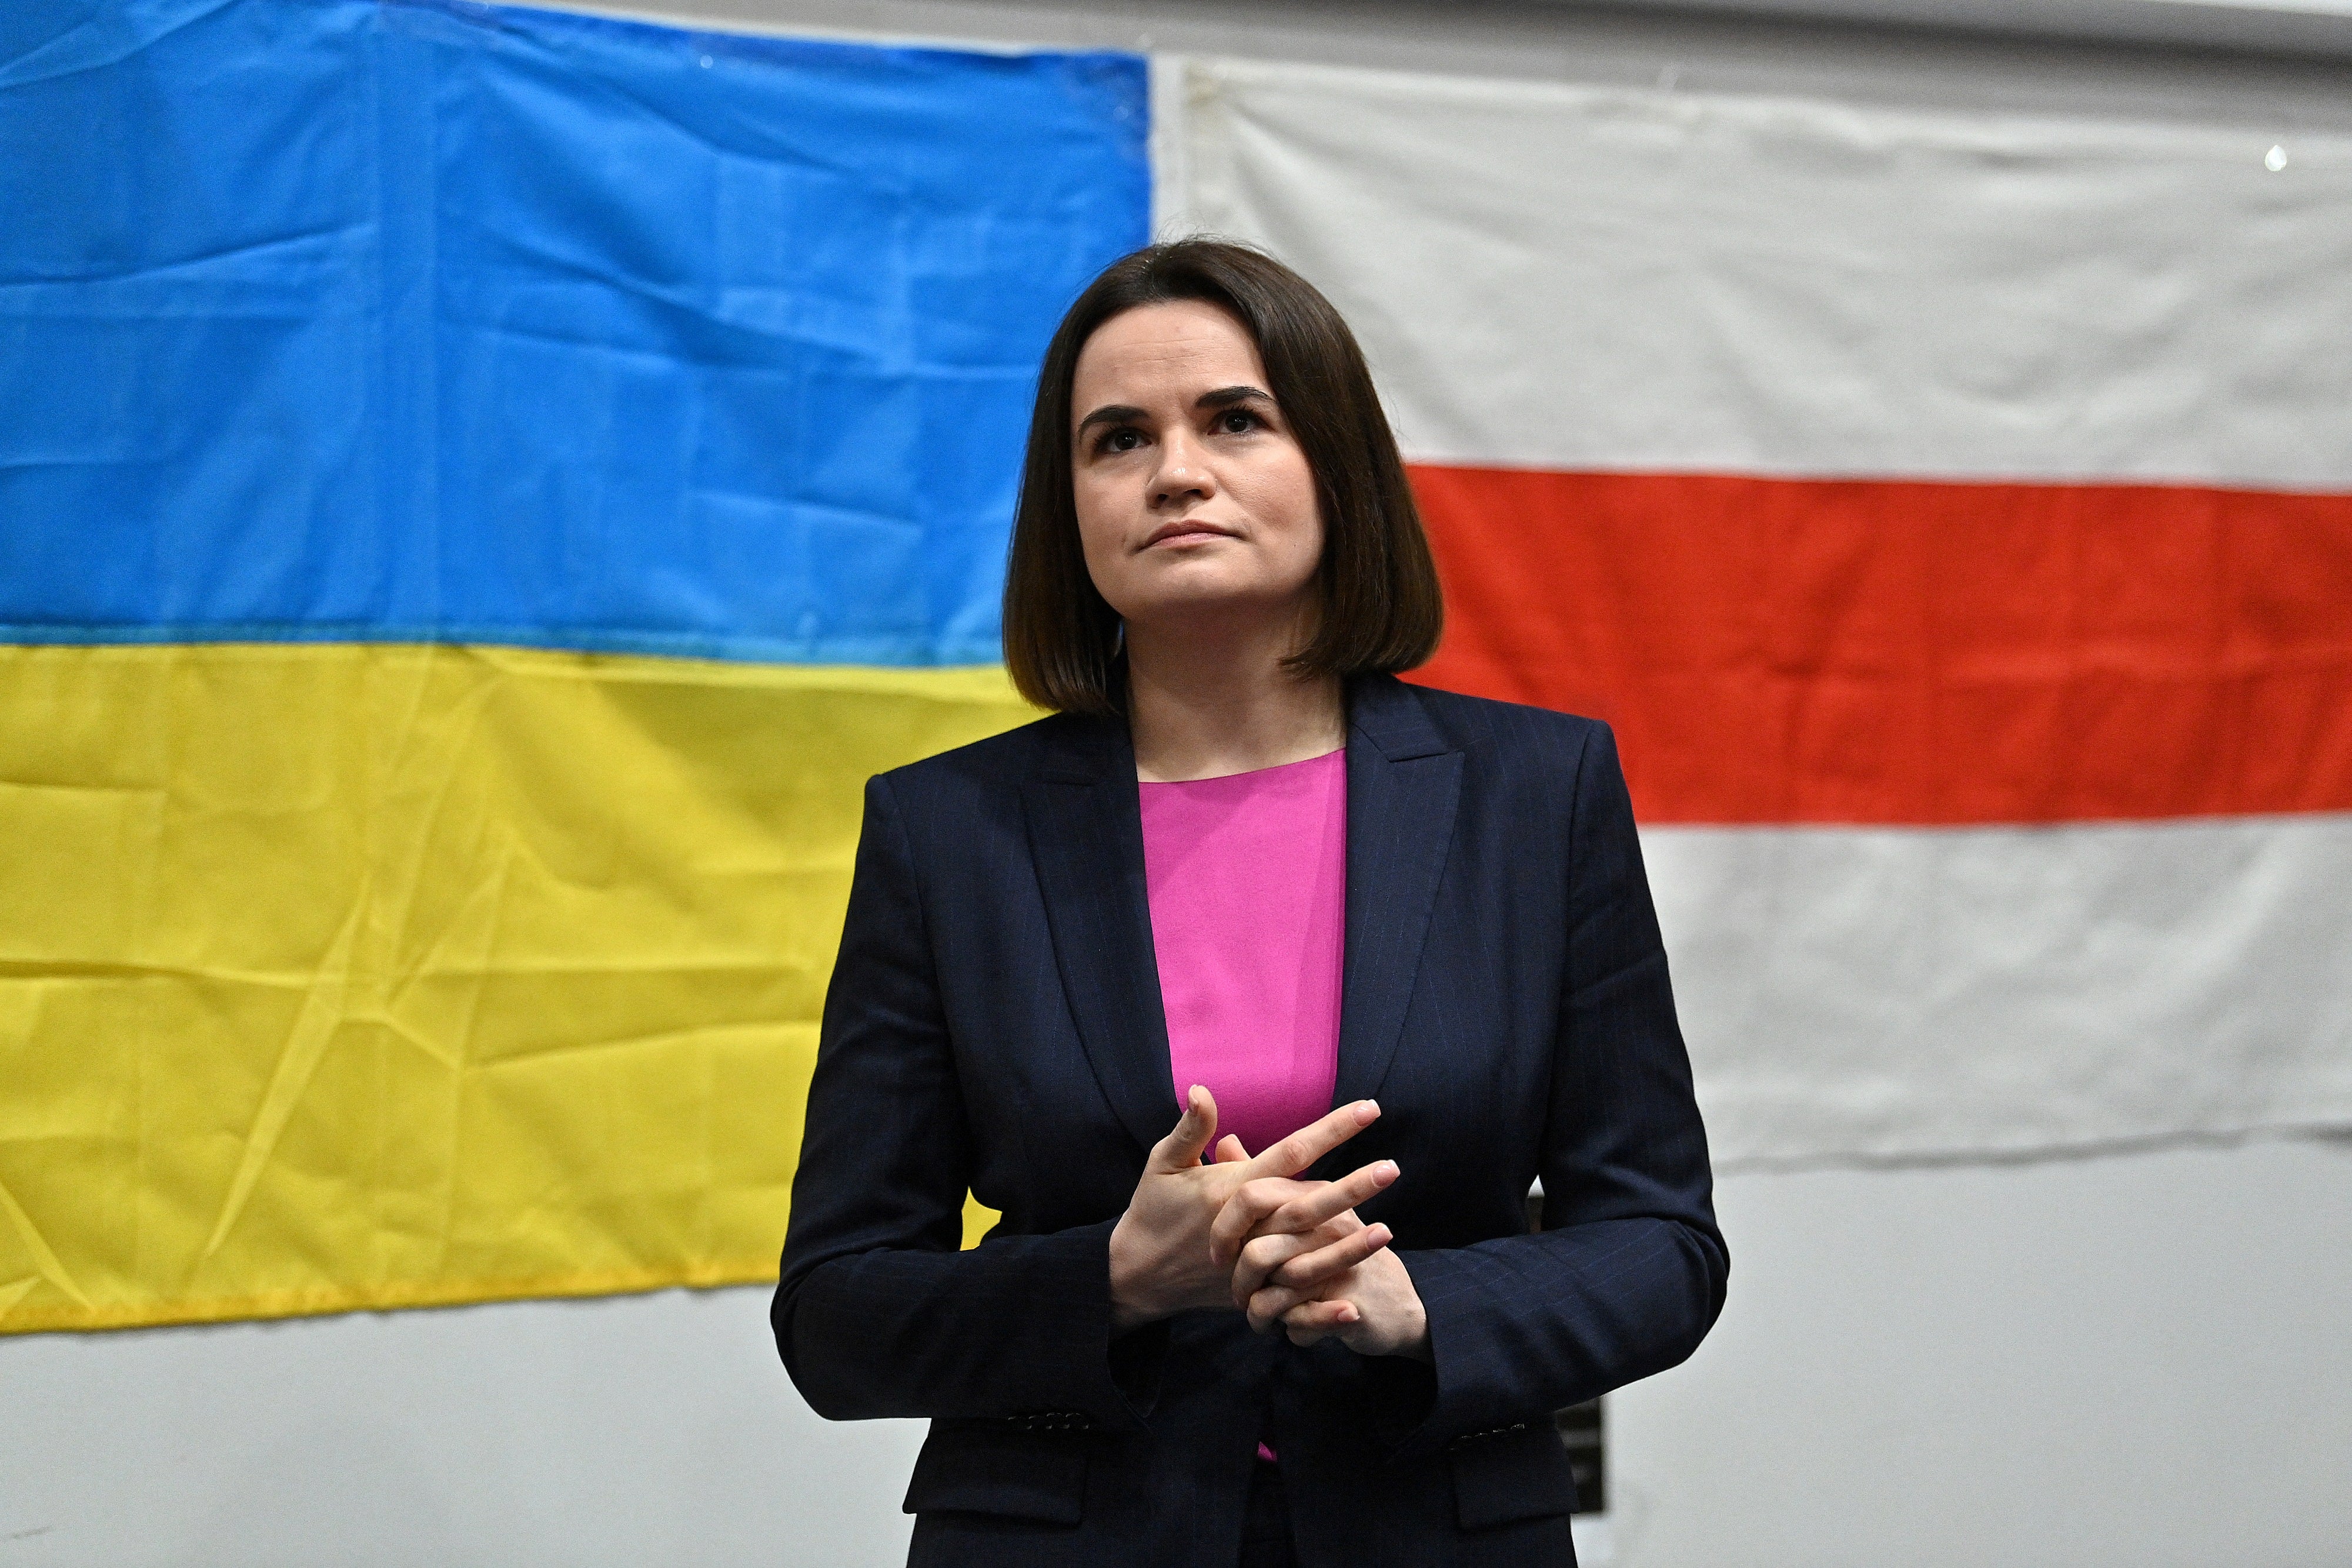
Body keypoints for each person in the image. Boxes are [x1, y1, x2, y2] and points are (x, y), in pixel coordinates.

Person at [773, 239, 1726, 1568]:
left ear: (1331, 463)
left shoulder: (1534, 792)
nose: (1174, 470)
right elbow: (834, 1311)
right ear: (1072, 508)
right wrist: (1114, 1274)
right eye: (1117, 439)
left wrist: (1417, 1301)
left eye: (1233, 419)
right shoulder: (947, 832)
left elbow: (1661, 1243)